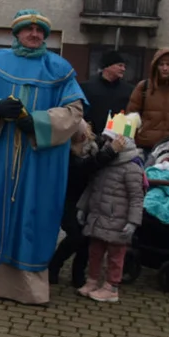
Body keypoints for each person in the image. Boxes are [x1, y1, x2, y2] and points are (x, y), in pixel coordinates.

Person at [0, 9, 85, 304]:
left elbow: (75, 111)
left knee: (33, 214)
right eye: (28, 30)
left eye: (40, 31)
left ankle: (27, 289)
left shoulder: (60, 69)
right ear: (15, 35)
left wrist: (39, 123)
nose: (35, 35)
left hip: (38, 160)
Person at [48, 122, 122, 287]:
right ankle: (54, 265)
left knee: (87, 238)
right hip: (69, 200)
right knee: (75, 235)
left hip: (89, 200)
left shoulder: (94, 147)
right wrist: (110, 152)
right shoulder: (67, 154)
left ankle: (78, 275)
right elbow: (85, 168)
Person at [75, 135, 144, 303]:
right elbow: (92, 188)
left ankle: (111, 287)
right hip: (98, 218)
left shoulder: (132, 168)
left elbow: (137, 197)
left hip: (118, 222)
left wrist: (133, 221)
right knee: (95, 252)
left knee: (115, 256)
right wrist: (82, 208)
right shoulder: (104, 164)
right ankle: (92, 281)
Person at [126, 48, 169, 152]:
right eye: (161, 64)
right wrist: (130, 141)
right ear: (155, 66)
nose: (165, 68)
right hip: (144, 145)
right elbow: (131, 117)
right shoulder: (143, 87)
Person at [80, 50, 134, 136]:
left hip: (119, 139)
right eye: (120, 65)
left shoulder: (129, 90)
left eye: (124, 66)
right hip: (91, 138)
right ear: (107, 67)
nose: (123, 69)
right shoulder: (87, 87)